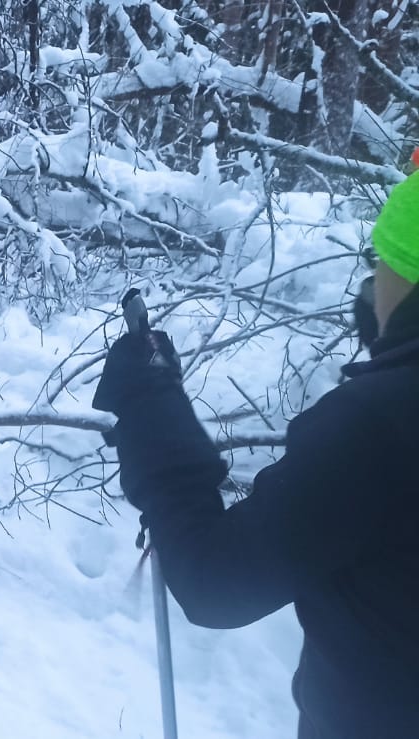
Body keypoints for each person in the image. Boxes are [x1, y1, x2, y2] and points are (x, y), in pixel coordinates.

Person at [91, 177, 419, 736]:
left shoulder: (375, 426)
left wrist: (149, 405)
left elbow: (216, 580)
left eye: (380, 259)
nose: (370, 280)